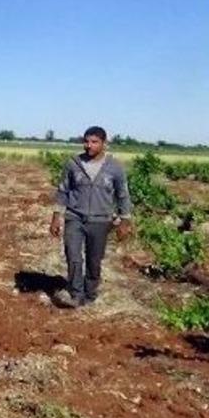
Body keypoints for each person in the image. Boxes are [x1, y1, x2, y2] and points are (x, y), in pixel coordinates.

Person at [49, 126, 133, 308]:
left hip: (101, 220)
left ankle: (90, 294)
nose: (89, 145)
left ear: (104, 143)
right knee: (73, 256)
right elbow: (63, 190)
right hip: (75, 217)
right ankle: (75, 293)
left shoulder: (115, 167)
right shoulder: (73, 163)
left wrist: (125, 221)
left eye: (94, 142)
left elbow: (123, 195)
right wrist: (56, 216)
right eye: (86, 141)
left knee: (94, 260)